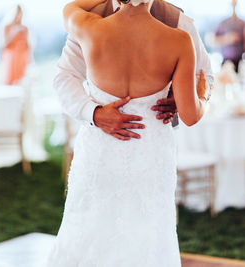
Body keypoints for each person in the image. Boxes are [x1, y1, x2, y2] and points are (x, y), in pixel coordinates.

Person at [47, 0, 210, 266]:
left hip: (100, 152)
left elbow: (69, 7)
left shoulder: (88, 26)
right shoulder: (178, 41)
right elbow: (192, 114)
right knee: (148, 237)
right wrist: (202, 97)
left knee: (88, 230)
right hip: (150, 152)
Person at [54, 0, 213, 141]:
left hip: (154, 144)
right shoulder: (91, 14)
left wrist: (181, 97)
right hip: (102, 139)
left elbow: (205, 75)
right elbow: (66, 76)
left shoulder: (179, 20)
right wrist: (93, 113)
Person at [0, 5, 31, 85]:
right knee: (9, 80)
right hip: (10, 58)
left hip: (21, 58)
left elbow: (28, 46)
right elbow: (2, 44)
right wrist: (13, 32)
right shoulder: (6, 27)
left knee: (21, 81)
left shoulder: (24, 29)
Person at [214, 0, 245, 72]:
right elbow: (214, 40)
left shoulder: (243, 23)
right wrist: (227, 39)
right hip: (226, 60)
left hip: (240, 60)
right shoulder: (223, 23)